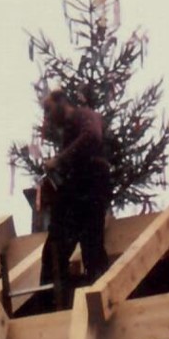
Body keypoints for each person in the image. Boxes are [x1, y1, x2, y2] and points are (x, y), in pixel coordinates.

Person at [40, 89, 111, 306]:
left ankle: (98, 299)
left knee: (90, 249)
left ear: (62, 102)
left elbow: (93, 135)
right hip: (78, 193)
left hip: (89, 191)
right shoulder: (71, 129)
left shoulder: (84, 116)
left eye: (49, 110)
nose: (48, 117)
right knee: (57, 250)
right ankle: (53, 302)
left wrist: (59, 160)